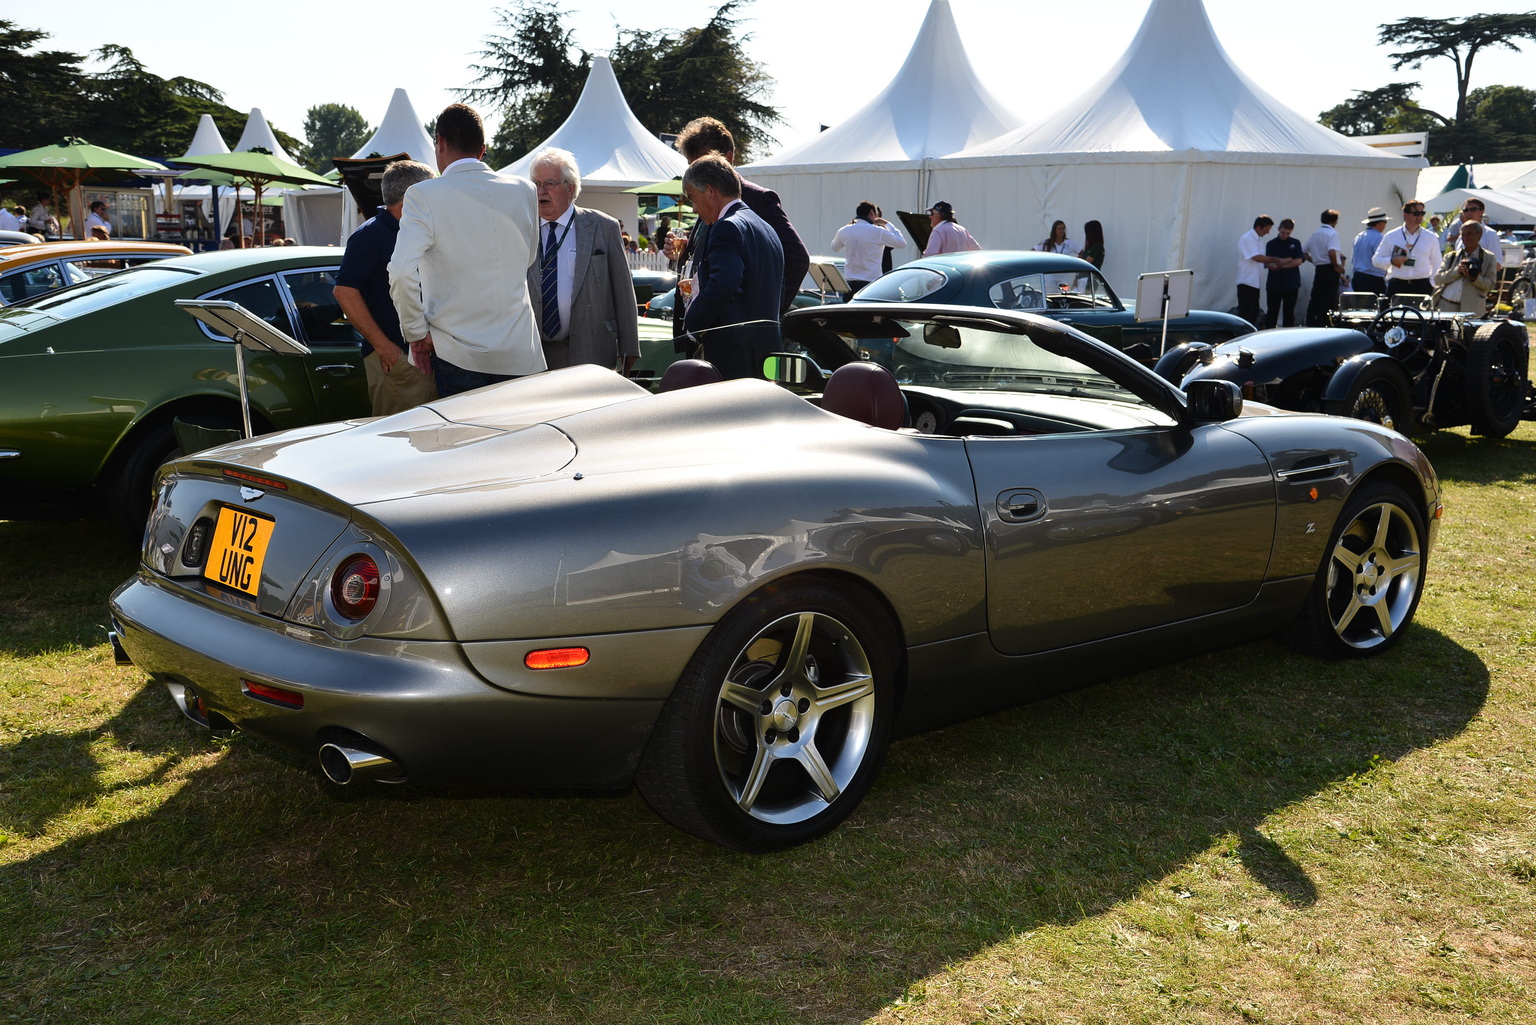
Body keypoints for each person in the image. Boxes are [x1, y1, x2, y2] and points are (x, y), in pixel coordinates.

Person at [388, 102, 544, 397]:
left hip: (457, 353)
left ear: (441, 142)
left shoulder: (423, 194)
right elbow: (529, 258)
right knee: (520, 443)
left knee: (466, 442)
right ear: (482, 149)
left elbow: (400, 272)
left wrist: (416, 334)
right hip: (521, 349)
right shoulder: (525, 190)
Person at [672, 116, 810, 315]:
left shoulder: (758, 199)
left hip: (739, 337)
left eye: (701, 164)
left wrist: (767, 316)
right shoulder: (705, 194)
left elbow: (797, 258)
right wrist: (684, 251)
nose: (694, 173)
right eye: (691, 165)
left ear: (727, 159)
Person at [334, 159, 440, 417]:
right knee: (399, 445)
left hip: (425, 359)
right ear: (409, 202)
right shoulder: (371, 234)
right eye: (430, 195)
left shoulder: (414, 231)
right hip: (399, 361)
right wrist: (386, 349)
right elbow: (344, 291)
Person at [523, 147, 640, 374]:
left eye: (549, 183)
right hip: (535, 353)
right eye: (535, 184)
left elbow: (623, 291)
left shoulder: (603, 227)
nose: (540, 191)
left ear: (571, 188)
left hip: (591, 350)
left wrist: (629, 347)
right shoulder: (521, 230)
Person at [679, 154, 784, 381]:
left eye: (693, 199)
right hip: (767, 355)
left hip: (735, 359)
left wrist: (692, 323)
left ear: (710, 191)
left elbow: (723, 286)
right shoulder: (765, 227)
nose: (694, 208)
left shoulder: (726, 227)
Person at [830, 201, 906, 294]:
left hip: (850, 283)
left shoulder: (844, 230)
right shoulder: (878, 231)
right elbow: (902, 243)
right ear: (871, 212)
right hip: (871, 283)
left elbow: (835, 247)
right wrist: (886, 224)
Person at [1373, 199, 1439, 298]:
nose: (1420, 216)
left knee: (1421, 314)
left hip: (1422, 285)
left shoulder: (1431, 237)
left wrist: (1432, 284)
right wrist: (1391, 261)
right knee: (1392, 313)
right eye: (1416, 213)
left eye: (1422, 213)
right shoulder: (1391, 236)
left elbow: (1437, 263)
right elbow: (1376, 260)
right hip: (1397, 285)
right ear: (1405, 214)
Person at [1433, 221, 1499, 314]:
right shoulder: (1451, 256)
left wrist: (1475, 278)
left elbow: (1490, 285)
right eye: (1463, 235)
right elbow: (1438, 279)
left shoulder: (1488, 258)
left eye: (1469, 234)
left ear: (1479, 235)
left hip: (1472, 309)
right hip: (1446, 306)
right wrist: (1457, 271)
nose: (1466, 238)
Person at [1303, 209, 1344, 326]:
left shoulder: (1315, 233)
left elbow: (1303, 251)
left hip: (1319, 269)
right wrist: (1337, 266)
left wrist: (1315, 261)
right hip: (1330, 269)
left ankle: (1311, 322)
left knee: (1316, 297)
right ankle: (1325, 324)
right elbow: (1332, 252)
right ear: (1334, 221)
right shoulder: (1333, 234)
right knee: (1328, 299)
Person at [1263, 219, 1306, 328]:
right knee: (1272, 312)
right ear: (1278, 229)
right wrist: (1288, 259)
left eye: (1288, 233)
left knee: (1289, 313)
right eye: (1283, 232)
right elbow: (1270, 264)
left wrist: (1281, 264)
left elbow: (1299, 260)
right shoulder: (1271, 244)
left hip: (1291, 283)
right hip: (1274, 283)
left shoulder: (1295, 243)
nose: (1285, 235)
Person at [1443, 197, 1503, 273]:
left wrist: (1475, 273)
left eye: (1473, 209)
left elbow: (1497, 265)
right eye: (1466, 210)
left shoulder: (1490, 234)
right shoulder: (1461, 237)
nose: (1469, 213)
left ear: (1481, 211)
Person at [1235, 215, 1276, 326]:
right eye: (1267, 229)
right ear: (1259, 227)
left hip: (1255, 283)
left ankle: (1248, 336)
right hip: (1246, 282)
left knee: (1253, 313)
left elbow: (1258, 261)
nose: (1268, 232)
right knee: (1246, 313)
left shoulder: (1258, 240)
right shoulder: (1247, 238)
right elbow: (1255, 257)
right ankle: (1241, 337)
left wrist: (1268, 265)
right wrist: (1275, 259)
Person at [1351, 208, 1389, 295]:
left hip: (1358, 277)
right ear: (1380, 223)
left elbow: (1353, 259)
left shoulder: (1359, 236)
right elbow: (1381, 260)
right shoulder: (1379, 238)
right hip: (1373, 279)